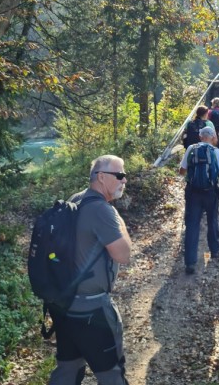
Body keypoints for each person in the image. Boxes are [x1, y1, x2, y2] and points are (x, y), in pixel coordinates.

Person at [48, 155, 131, 385]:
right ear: (101, 177)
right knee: (112, 374)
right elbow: (123, 255)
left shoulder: (76, 199)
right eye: (120, 175)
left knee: (68, 369)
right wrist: (118, 220)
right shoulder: (102, 210)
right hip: (92, 310)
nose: (124, 180)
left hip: (65, 306)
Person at [179, 126, 219, 274]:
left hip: (193, 192)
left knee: (192, 225)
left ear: (200, 137)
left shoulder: (191, 149)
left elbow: (181, 171)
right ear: (213, 137)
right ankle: (214, 250)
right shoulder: (216, 151)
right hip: (210, 192)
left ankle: (190, 262)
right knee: (212, 220)